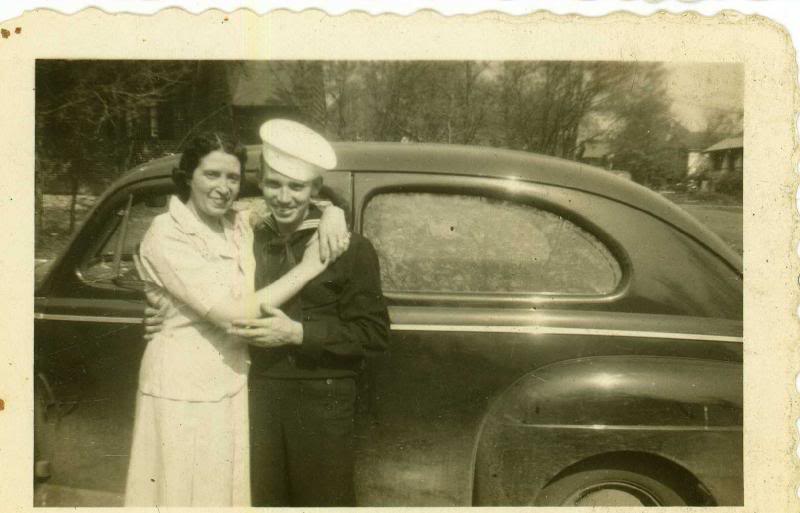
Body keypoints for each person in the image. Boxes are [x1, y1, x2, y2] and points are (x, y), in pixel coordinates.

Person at [124, 132, 349, 507]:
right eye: (212, 175)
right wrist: (310, 267)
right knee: (180, 494)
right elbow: (235, 317)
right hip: (181, 393)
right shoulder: (166, 234)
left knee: (219, 495)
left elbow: (293, 200)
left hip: (229, 385)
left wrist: (333, 212)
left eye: (232, 178)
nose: (223, 187)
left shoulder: (237, 223)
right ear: (187, 177)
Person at [228, 119, 390, 506]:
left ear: (315, 188)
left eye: (296, 186)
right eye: (273, 184)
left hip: (322, 403)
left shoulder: (349, 248)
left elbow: (374, 335)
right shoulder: (247, 239)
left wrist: (299, 334)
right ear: (261, 184)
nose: (283, 197)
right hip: (257, 401)